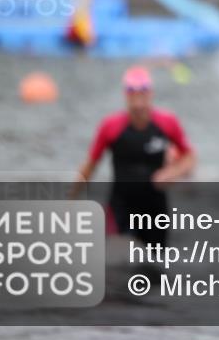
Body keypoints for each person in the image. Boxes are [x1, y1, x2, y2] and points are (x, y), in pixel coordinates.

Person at [70, 66, 195, 246]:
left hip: (155, 207)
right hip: (121, 205)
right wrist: (71, 200)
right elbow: (90, 165)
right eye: (133, 94)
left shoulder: (167, 123)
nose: (138, 103)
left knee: (154, 265)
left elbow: (189, 157)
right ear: (126, 96)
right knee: (119, 260)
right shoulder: (110, 127)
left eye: (142, 94)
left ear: (150, 94)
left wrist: (173, 173)